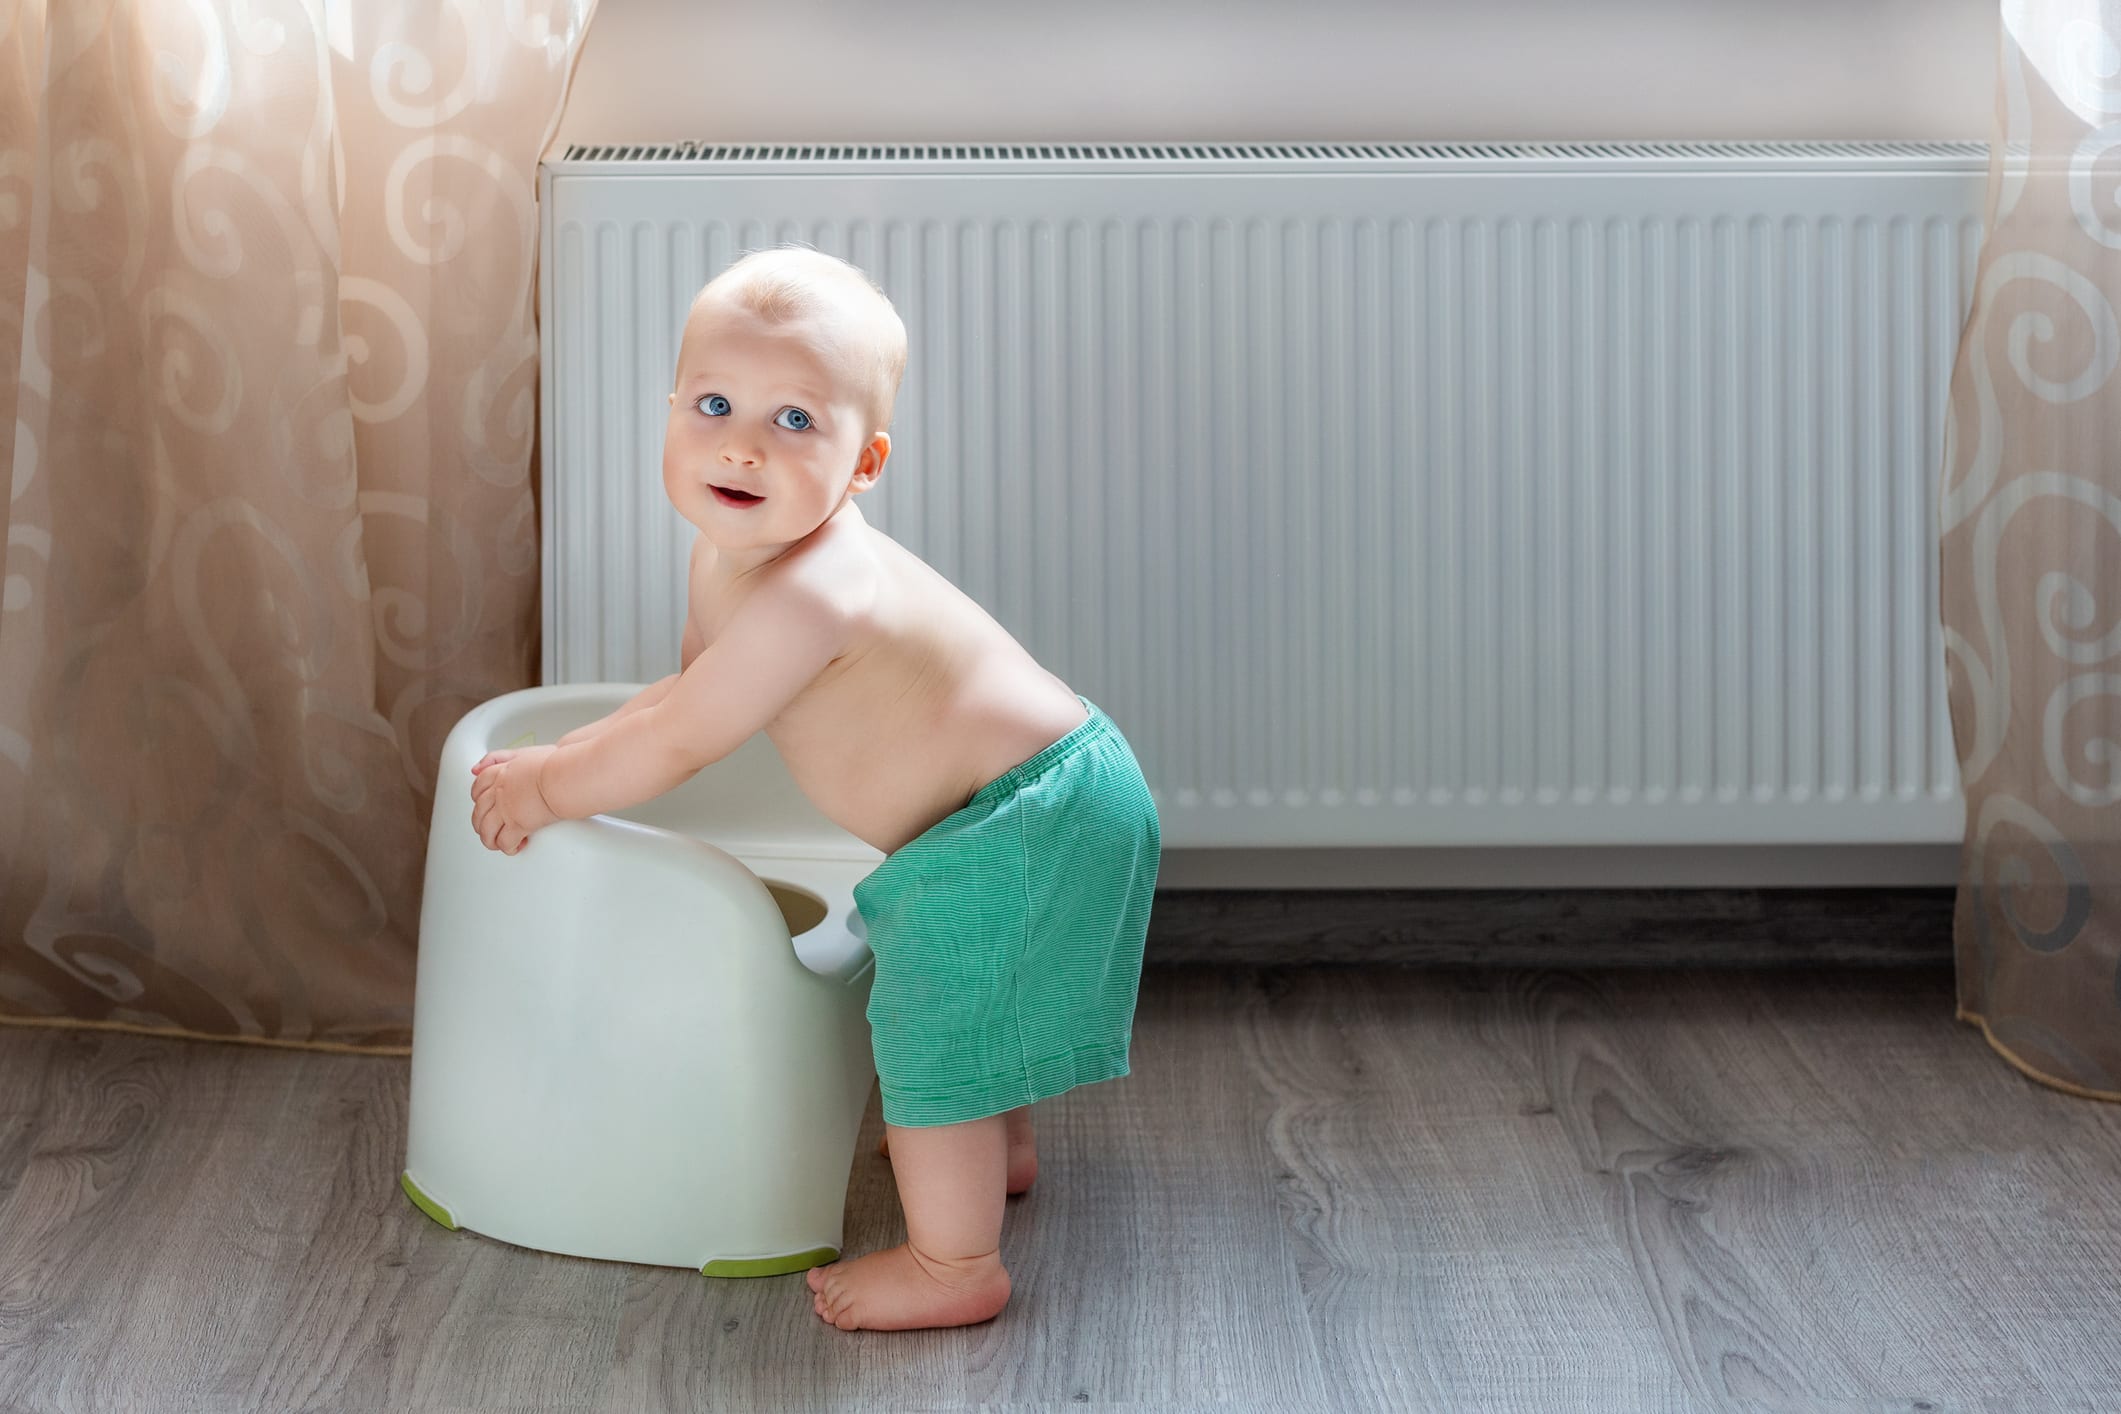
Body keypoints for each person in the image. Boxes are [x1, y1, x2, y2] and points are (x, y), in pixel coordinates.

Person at [467, 245, 1160, 1331]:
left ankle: (953, 1264)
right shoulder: (722, 555)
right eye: (714, 403)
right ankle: (997, 1143)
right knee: (979, 997)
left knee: (930, 1011)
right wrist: (579, 744)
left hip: (1031, 808)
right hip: (1009, 805)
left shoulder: (817, 590)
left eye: (795, 421)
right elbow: (686, 695)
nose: (742, 442)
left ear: (864, 461)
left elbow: (691, 741)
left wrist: (553, 786)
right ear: (670, 411)